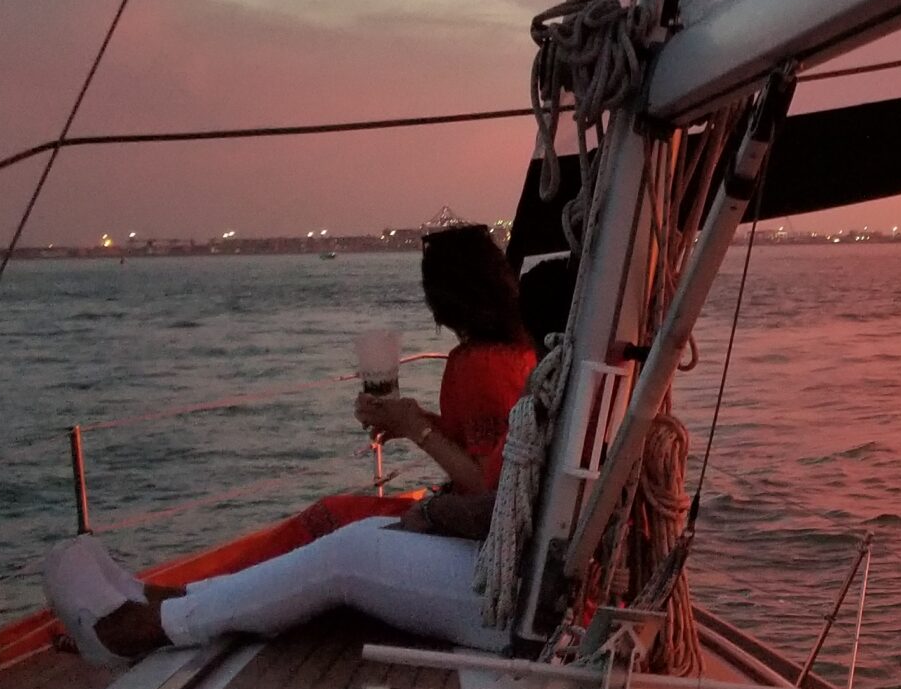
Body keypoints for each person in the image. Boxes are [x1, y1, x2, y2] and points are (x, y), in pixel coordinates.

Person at [42, 225, 538, 662]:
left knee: (345, 548)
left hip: (505, 588)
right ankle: (170, 600)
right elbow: (494, 465)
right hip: (516, 569)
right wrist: (416, 421)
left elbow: (482, 487)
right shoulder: (526, 356)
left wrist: (416, 429)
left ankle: (149, 626)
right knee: (347, 532)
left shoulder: (486, 365)